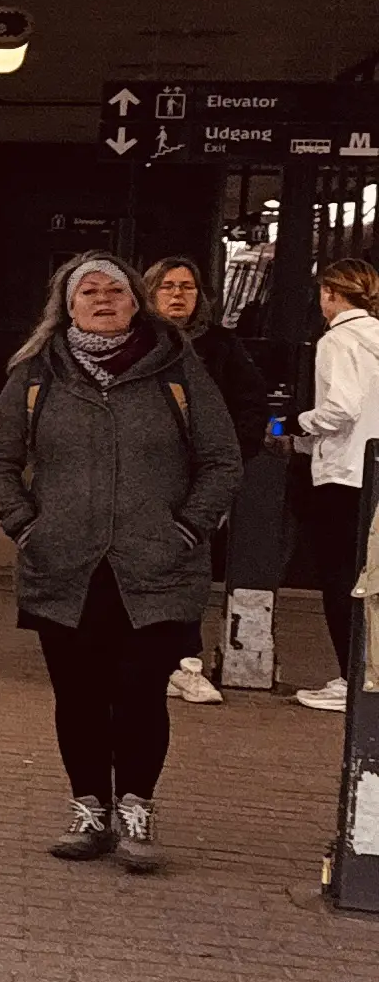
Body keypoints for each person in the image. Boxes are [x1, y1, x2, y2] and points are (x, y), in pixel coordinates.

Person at [0, 253, 242, 870]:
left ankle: (137, 811)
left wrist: (186, 527)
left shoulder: (178, 370)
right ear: (66, 308)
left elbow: (222, 459)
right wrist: (24, 524)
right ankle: (89, 810)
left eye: (115, 291)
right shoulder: (36, 373)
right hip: (63, 565)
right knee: (78, 696)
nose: (102, 299)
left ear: (135, 302)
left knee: (140, 692)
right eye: (87, 292)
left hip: (156, 566)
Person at [144, 256, 270, 703]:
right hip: (140, 477)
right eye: (168, 286)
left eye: (187, 287)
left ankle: (184, 662)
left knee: (189, 567)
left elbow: (252, 404)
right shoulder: (132, 342)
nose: (178, 295)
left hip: (199, 480)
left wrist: (228, 460)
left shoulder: (220, 346)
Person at [299, 255, 379, 714]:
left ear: (330, 293)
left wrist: (295, 421)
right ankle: (368, 671)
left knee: (338, 577)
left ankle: (350, 678)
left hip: (342, 474)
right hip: (374, 474)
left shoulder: (336, 341)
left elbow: (340, 409)